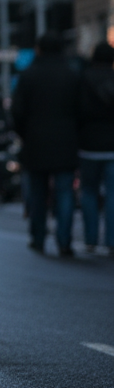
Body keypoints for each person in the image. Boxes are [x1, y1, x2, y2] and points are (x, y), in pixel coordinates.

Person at [11, 31, 80, 256]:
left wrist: (24, 134)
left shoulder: (28, 75)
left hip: (36, 141)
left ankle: (38, 237)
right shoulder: (71, 75)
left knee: (38, 194)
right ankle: (64, 241)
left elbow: (17, 112)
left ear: (38, 49)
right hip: (66, 142)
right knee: (64, 193)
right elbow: (81, 110)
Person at [77, 41, 114, 255]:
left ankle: (91, 239)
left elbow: (77, 112)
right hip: (112, 146)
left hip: (88, 145)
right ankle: (111, 240)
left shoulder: (83, 79)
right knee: (112, 194)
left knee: (89, 192)